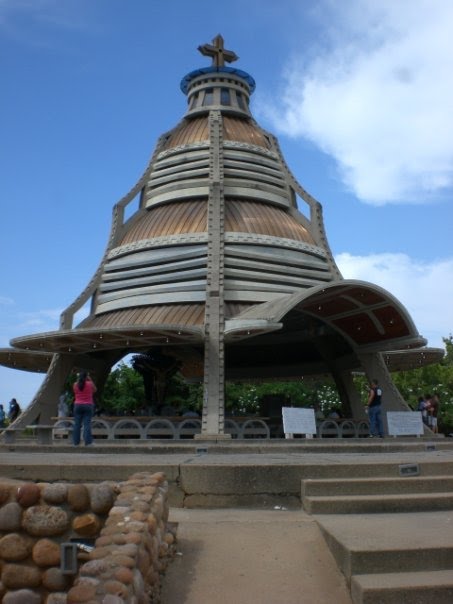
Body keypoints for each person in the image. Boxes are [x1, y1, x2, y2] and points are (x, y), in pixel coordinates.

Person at [72, 371, 97, 446]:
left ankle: (76, 443)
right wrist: (90, 380)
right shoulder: (90, 384)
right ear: (86, 377)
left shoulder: (75, 384)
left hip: (77, 405)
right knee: (87, 424)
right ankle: (88, 442)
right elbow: (95, 390)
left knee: (77, 424)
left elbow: (75, 391)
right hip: (88, 405)